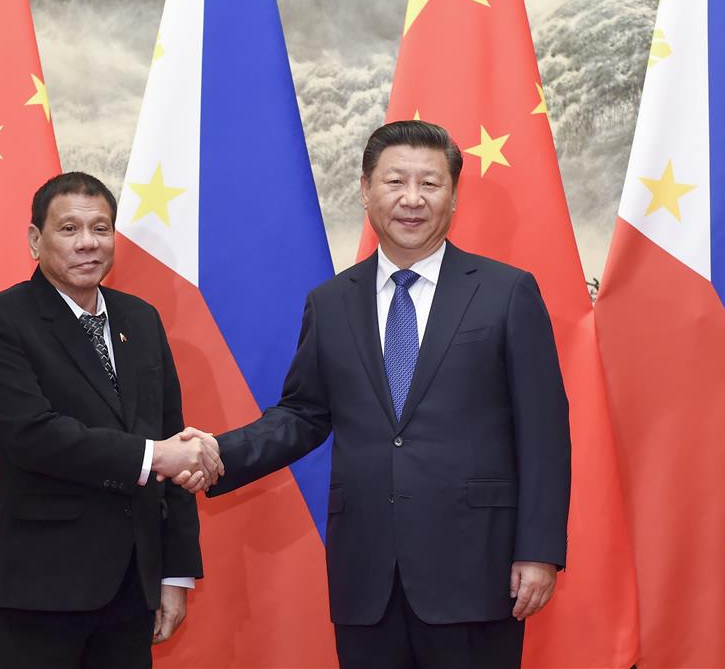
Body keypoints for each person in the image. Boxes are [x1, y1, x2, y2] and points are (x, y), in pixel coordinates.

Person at [195, 121, 571, 668]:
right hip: (366, 575)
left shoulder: (506, 292)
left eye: (430, 184)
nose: (412, 200)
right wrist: (214, 455)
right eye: (395, 182)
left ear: (454, 195)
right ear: (366, 189)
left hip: (476, 568)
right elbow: (303, 414)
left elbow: (544, 432)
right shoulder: (330, 302)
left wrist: (538, 552)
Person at [0, 172, 221, 669]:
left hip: (133, 587)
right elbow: (32, 435)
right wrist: (155, 455)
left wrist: (175, 573)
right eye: (69, 229)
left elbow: (173, 433)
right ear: (35, 240)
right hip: (41, 590)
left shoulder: (140, 319)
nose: (88, 243)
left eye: (101, 229)